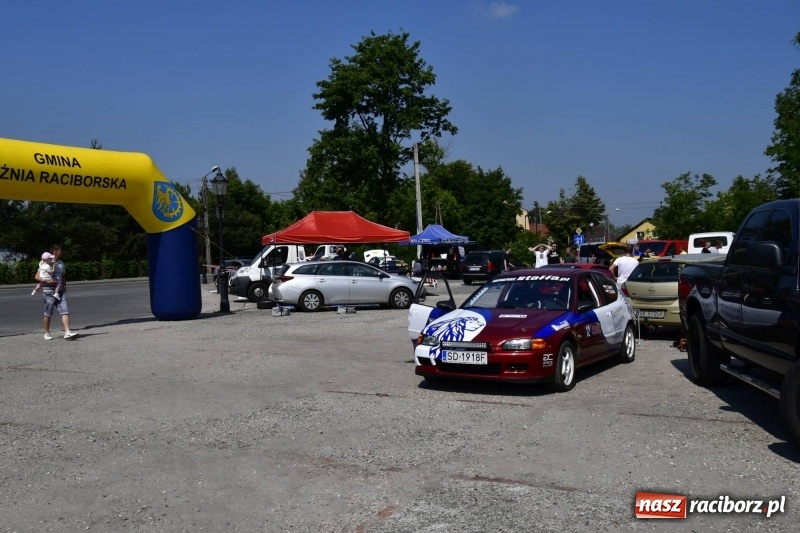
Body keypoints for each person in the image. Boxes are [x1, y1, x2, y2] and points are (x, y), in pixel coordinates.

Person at [36, 244, 77, 340]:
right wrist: (47, 281)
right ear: (54, 251)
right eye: (60, 250)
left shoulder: (61, 263)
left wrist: (64, 288)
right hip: (48, 291)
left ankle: (67, 332)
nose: (61, 252)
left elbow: (63, 277)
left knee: (65, 310)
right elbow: (37, 277)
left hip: (60, 291)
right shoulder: (45, 262)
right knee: (48, 312)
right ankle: (46, 333)